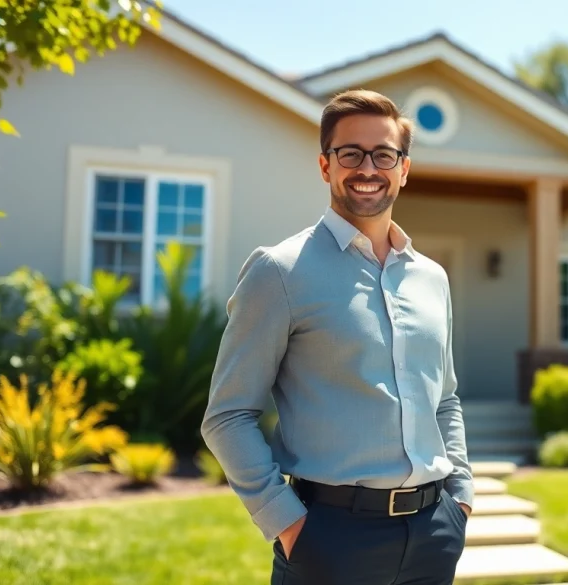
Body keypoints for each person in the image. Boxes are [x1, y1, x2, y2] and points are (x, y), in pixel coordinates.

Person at [200, 89, 473, 585]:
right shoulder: (279, 271)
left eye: (384, 154)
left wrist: (461, 499)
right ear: (325, 165)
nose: (367, 168)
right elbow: (227, 415)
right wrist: (288, 524)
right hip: (329, 542)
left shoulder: (432, 278)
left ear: (404, 169)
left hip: (434, 533)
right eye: (351, 153)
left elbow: (445, 399)